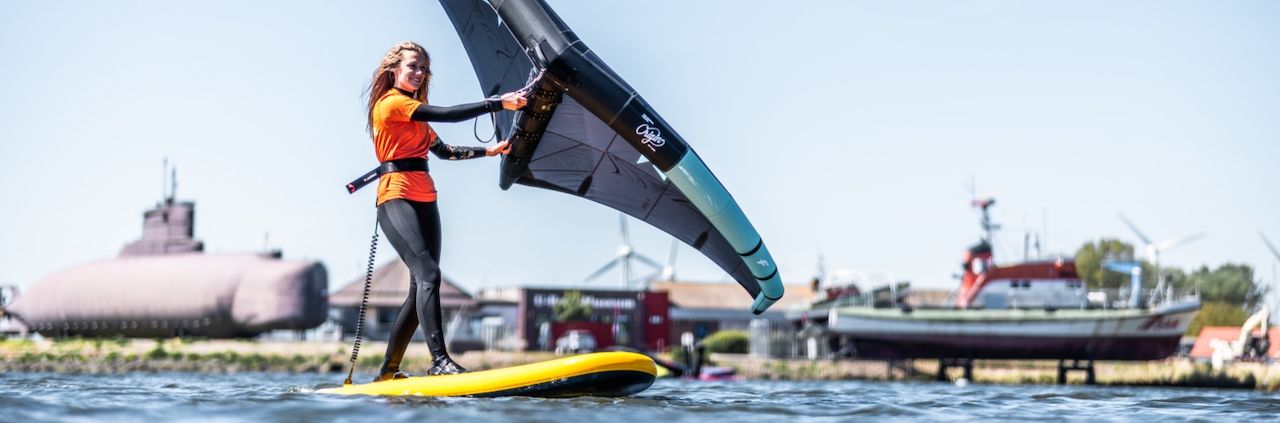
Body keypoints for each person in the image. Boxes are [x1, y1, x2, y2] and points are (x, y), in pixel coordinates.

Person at [365, 41, 526, 381]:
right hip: (396, 197)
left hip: (426, 198)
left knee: (421, 284)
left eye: (424, 68)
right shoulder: (392, 104)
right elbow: (449, 113)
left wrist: (488, 151)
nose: (419, 73)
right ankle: (440, 360)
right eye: (413, 66)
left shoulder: (415, 115)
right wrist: (498, 103)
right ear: (394, 70)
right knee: (429, 275)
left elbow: (445, 151)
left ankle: (388, 371)